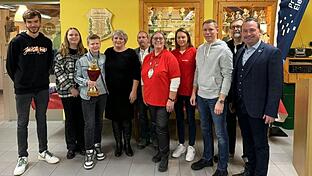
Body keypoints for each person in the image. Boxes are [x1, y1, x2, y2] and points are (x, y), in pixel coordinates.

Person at [6, 9, 60, 176]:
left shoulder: (47, 42)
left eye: (36, 21)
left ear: (40, 22)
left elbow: (49, 64)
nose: (33, 25)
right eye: (29, 22)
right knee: (22, 123)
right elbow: (10, 66)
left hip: (42, 88)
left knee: (41, 119)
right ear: (26, 23)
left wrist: (42, 78)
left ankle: (43, 151)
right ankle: (22, 156)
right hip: (23, 89)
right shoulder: (16, 42)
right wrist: (20, 81)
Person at [232, 17, 283, 176]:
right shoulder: (241, 51)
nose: (247, 34)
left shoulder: (271, 52)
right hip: (242, 108)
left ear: (259, 31)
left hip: (260, 110)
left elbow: (275, 85)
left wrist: (271, 110)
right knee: (247, 143)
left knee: (260, 145)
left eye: (252, 30)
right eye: (245, 31)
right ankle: (249, 170)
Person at [190, 19, 232, 176]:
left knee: (221, 134)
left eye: (210, 29)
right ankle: (207, 158)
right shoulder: (200, 49)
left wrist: (221, 100)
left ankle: (222, 168)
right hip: (201, 96)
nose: (207, 32)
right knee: (205, 129)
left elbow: (228, 76)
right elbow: (198, 72)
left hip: (216, 98)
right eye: (205, 30)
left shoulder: (224, 50)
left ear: (217, 30)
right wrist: (194, 92)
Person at [141, 31, 180, 172]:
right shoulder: (147, 58)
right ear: (151, 41)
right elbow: (143, 78)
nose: (158, 40)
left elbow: (176, 79)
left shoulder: (169, 57)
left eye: (160, 38)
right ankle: (159, 151)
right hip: (150, 99)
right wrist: (144, 95)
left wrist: (171, 99)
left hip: (164, 101)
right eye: (155, 38)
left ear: (164, 41)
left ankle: (164, 156)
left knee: (162, 127)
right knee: (155, 126)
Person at [104, 30, 141, 157]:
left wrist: (134, 91)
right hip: (112, 93)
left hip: (127, 92)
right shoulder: (108, 52)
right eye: (116, 38)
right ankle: (118, 144)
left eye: (121, 38)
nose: (118, 40)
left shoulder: (131, 53)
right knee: (115, 120)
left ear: (125, 40)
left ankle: (127, 144)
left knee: (126, 119)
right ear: (112, 39)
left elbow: (137, 74)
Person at [75, 34, 108, 170]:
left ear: (100, 44)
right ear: (88, 45)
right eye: (92, 44)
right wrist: (86, 82)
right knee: (89, 124)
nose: (95, 46)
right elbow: (76, 77)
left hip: (102, 94)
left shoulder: (104, 58)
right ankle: (89, 152)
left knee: (99, 121)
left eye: (97, 43)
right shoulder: (81, 61)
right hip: (87, 95)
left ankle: (97, 145)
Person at [214, 18, 245, 162]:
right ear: (230, 30)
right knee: (228, 125)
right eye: (233, 27)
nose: (236, 29)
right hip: (228, 93)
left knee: (246, 127)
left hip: (246, 95)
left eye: (239, 26)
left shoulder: (249, 46)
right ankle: (229, 152)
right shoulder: (224, 46)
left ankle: (247, 156)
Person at [54, 27, 86, 159]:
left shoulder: (84, 52)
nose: (73, 37)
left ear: (79, 37)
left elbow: (87, 71)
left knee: (81, 119)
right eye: (71, 35)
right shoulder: (61, 53)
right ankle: (71, 147)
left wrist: (80, 88)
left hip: (82, 92)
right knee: (70, 120)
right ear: (67, 37)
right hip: (67, 93)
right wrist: (71, 88)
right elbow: (59, 72)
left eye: (76, 35)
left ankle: (82, 145)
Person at [171, 28, 197, 162]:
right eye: (178, 38)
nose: (181, 40)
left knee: (191, 119)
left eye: (183, 37)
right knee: (179, 119)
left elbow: (197, 73)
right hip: (177, 93)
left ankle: (191, 146)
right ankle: (181, 144)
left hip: (190, 92)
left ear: (188, 38)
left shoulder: (194, 52)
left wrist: (194, 92)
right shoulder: (172, 53)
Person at [134, 31, 156, 149]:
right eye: (139, 37)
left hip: (152, 88)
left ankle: (154, 138)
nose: (141, 39)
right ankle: (144, 138)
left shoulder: (155, 51)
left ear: (148, 39)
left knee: (153, 115)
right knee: (141, 115)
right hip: (139, 89)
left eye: (144, 37)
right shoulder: (134, 53)